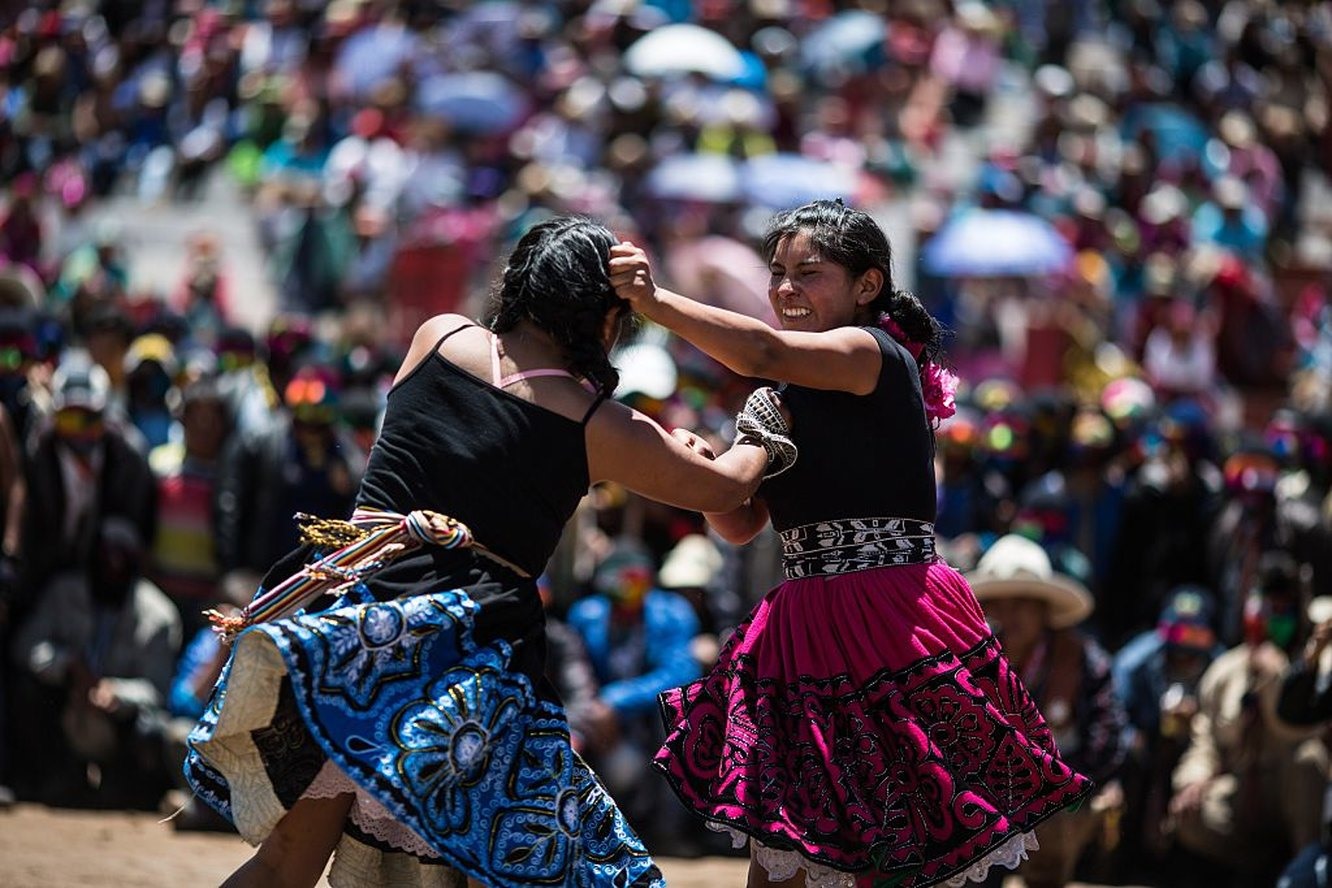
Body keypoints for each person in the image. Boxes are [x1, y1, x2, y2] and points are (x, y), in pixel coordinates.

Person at [183, 216, 773, 888]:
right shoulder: (593, 422)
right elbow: (729, 491)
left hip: (349, 627)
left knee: (287, 861)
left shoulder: (439, 336)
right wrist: (769, 425)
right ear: (603, 317)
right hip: (457, 660)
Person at [610, 199, 1093, 888]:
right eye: (777, 273)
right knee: (788, 858)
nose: (784, 289)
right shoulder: (787, 395)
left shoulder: (872, 354)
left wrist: (654, 302)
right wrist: (704, 460)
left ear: (867, 286)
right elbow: (742, 521)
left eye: (809, 274)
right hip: (805, 627)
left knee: (902, 844)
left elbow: (759, 348)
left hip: (888, 618)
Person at [967, 535, 1129, 888]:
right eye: (999, 605)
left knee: (1055, 823)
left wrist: (1054, 786)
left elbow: (1107, 740)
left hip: (1059, 796)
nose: (1009, 617)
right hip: (983, 798)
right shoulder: (966, 666)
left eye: (1022, 604)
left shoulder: (1082, 661)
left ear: (1044, 610)